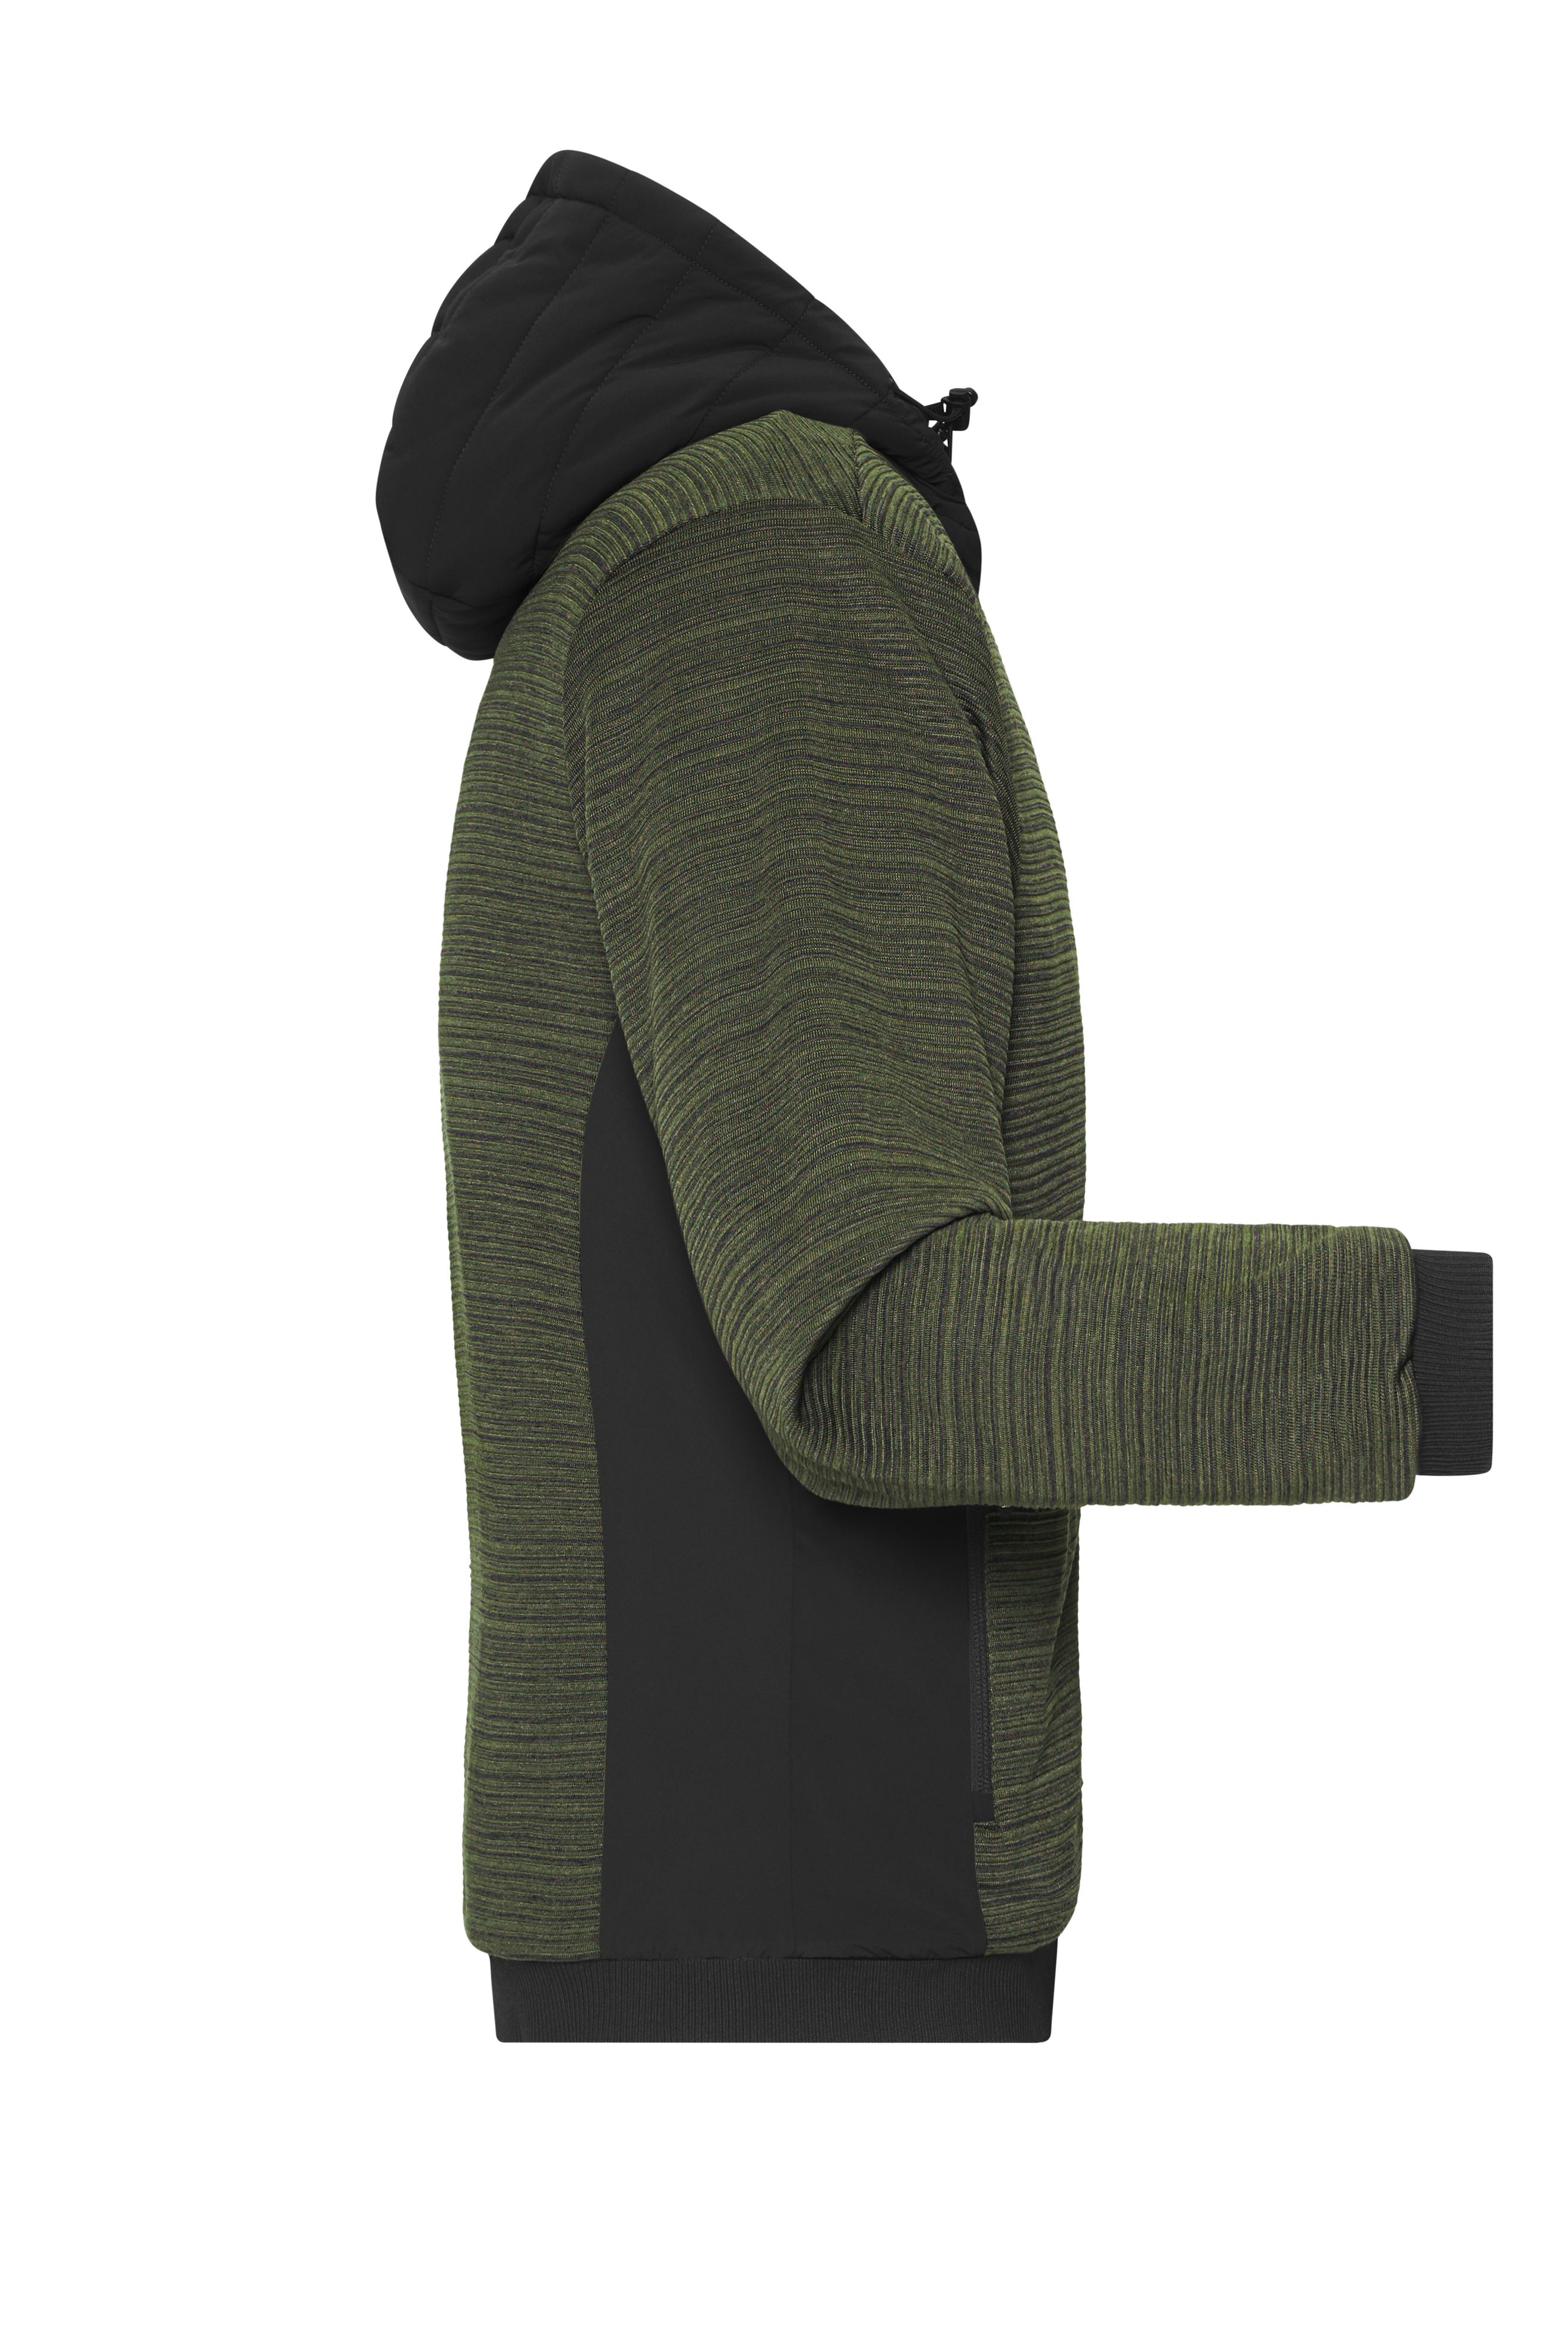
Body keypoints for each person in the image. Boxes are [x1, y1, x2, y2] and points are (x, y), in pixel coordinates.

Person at [376, 150, 1491, 2044]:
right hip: (795, 1919)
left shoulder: (710, 546)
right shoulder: (758, 569)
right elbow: (873, 1337)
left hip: (758, 1880)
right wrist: (1459, 1354)